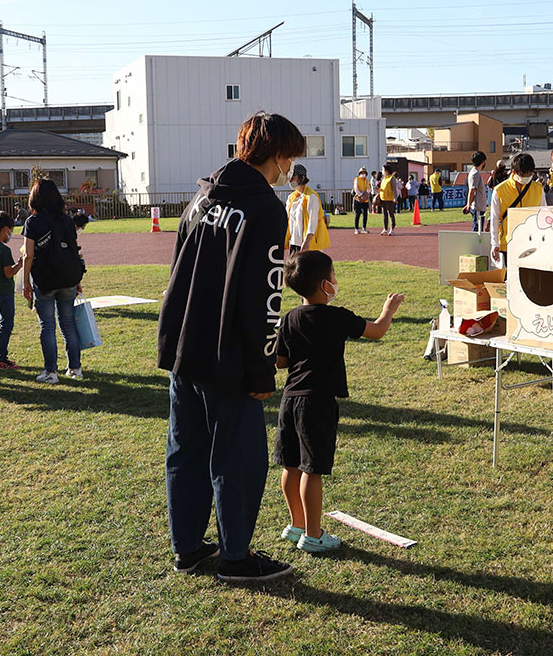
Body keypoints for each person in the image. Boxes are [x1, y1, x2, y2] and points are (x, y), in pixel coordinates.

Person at [157, 111, 303, 582]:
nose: (289, 168)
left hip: (184, 345)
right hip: (228, 355)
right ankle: (235, 558)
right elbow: (265, 296)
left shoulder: (201, 197)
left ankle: (188, 548)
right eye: (289, 158)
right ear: (278, 155)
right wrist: (262, 371)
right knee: (237, 458)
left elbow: (178, 267)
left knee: (187, 450)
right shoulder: (265, 208)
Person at [274, 250, 404, 553]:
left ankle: (296, 526)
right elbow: (377, 330)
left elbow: (280, 362)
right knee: (312, 469)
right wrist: (389, 308)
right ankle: (314, 535)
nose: (336, 280)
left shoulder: (290, 317)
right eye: (333, 276)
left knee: (290, 465)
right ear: (323, 285)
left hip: (290, 399)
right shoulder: (336, 316)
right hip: (317, 402)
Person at [22, 178, 86, 384]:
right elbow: (74, 249)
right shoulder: (66, 219)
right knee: (68, 323)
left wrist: (26, 282)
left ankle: (51, 371)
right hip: (68, 276)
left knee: (47, 326)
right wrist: (77, 279)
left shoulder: (33, 222)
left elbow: (28, 255)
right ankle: (75, 367)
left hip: (45, 278)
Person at [490, 153, 546, 267]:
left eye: (530, 174)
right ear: (514, 172)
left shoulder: (538, 189)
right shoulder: (499, 191)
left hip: (532, 243)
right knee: (508, 279)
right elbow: (494, 219)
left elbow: (544, 215)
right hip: (507, 244)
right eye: (523, 174)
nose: (527, 177)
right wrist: (494, 243)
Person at [0, 212, 23, 370]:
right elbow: (8, 272)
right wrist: (19, 264)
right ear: (4, 229)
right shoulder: (4, 249)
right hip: (4, 289)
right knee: (6, 324)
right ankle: (1, 357)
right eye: (10, 229)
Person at [285, 164, 330, 254]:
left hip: (308, 244)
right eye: (289, 176)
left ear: (302, 177)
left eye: (293, 176)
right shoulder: (291, 198)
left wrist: (307, 242)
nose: (290, 180)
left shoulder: (311, 197)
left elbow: (312, 221)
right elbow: (287, 220)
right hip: (294, 243)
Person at [464, 151, 488, 231]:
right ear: (483, 162)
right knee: (477, 230)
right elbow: (472, 190)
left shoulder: (475, 172)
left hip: (480, 206)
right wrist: (468, 204)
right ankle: (476, 244)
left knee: (479, 229)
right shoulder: (475, 173)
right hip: (477, 206)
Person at [379, 164, 398, 236]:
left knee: (391, 214)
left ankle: (392, 229)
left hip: (390, 198)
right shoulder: (384, 178)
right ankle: (385, 228)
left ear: (387, 170)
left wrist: (395, 198)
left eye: (383, 170)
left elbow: (394, 189)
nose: (382, 171)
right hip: (383, 198)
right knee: (384, 214)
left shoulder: (392, 178)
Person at [352, 167, 370, 234]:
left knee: (365, 214)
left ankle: (364, 228)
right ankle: (356, 228)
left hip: (365, 200)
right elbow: (356, 188)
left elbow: (368, 189)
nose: (363, 174)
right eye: (362, 173)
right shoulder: (357, 179)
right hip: (358, 199)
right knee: (358, 214)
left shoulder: (367, 181)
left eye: (364, 173)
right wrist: (360, 194)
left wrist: (366, 194)